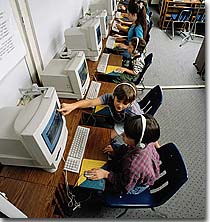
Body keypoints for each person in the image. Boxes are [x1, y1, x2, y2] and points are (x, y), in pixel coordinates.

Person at [86, 114, 161, 194]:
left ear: (139, 143)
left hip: (131, 184)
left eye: (126, 135)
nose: (122, 134)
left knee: (95, 186)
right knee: (115, 148)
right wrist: (116, 151)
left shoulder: (133, 166)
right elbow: (128, 148)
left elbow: (123, 186)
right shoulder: (146, 142)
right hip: (135, 171)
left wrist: (106, 174)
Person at [58, 82, 143, 139]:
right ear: (114, 95)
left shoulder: (134, 114)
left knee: (105, 138)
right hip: (117, 118)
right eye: (118, 101)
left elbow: (141, 130)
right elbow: (90, 102)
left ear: (130, 103)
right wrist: (72, 106)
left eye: (125, 104)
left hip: (125, 124)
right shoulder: (109, 97)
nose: (120, 106)